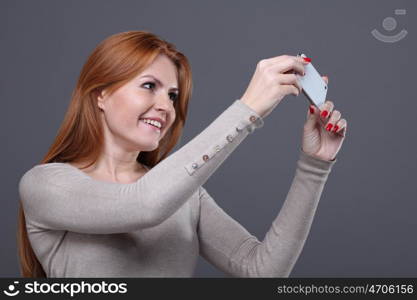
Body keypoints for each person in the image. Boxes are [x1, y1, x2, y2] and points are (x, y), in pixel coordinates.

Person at [17, 30, 347, 278]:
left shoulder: (186, 196)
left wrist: (314, 166)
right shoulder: (46, 185)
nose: (165, 106)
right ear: (101, 94)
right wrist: (248, 109)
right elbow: (144, 205)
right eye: (149, 86)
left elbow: (262, 270)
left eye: (173, 96)